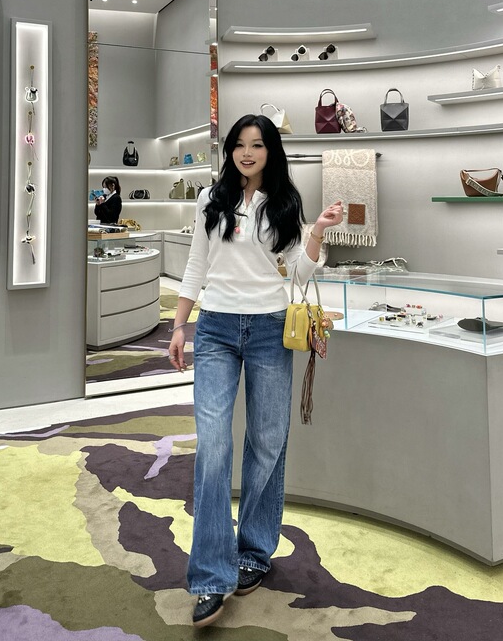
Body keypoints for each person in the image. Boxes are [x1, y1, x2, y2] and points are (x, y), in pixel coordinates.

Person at [168, 114, 343, 628]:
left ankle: (254, 551)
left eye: (257, 145)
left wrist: (318, 233)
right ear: (230, 150)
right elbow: (196, 266)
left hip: (270, 328)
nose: (247, 153)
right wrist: (179, 325)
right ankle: (210, 576)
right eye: (240, 145)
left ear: (271, 152)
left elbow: (300, 271)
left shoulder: (284, 203)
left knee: (267, 441)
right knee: (213, 446)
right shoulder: (211, 199)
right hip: (216, 329)